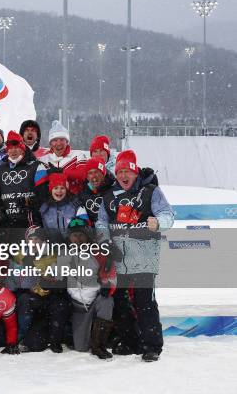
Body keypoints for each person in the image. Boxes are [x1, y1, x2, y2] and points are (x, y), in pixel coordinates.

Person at [96, 149, 174, 362]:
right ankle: (131, 343)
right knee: (120, 304)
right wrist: (104, 241)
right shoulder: (110, 195)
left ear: (135, 172)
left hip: (144, 258)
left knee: (144, 303)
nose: (123, 176)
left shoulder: (150, 191)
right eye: (119, 172)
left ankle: (152, 346)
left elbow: (168, 214)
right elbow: (101, 222)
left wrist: (158, 222)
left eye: (127, 172)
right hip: (119, 260)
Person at [57, 218, 116, 359]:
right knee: (81, 348)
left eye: (81, 235)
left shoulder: (98, 252)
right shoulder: (63, 254)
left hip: (95, 300)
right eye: (74, 235)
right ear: (69, 237)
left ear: (87, 235)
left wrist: (108, 286)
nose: (78, 239)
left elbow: (110, 274)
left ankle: (99, 346)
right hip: (77, 305)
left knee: (107, 301)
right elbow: (57, 276)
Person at [0, 131, 48, 228]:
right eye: (10, 148)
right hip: (8, 222)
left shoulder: (37, 166)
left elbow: (44, 194)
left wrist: (31, 202)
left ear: (22, 148)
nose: (13, 151)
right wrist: (0, 208)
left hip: (31, 221)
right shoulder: (2, 168)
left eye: (16, 147)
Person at [38, 120, 88, 194]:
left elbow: (82, 176)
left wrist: (62, 171)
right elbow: (38, 181)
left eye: (62, 140)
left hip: (74, 200)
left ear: (67, 142)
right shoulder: (43, 160)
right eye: (54, 140)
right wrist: (48, 173)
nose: (58, 143)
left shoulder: (78, 155)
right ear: (50, 143)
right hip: (50, 201)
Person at [39, 173, 89, 240]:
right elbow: (45, 232)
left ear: (66, 190)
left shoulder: (76, 206)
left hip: (74, 246)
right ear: (51, 190)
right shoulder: (45, 209)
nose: (59, 191)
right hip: (55, 247)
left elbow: (86, 229)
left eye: (62, 188)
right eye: (55, 188)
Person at [78, 157, 114, 225]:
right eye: (90, 173)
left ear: (103, 173)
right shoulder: (83, 193)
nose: (94, 176)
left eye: (96, 172)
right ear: (87, 177)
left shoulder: (113, 190)